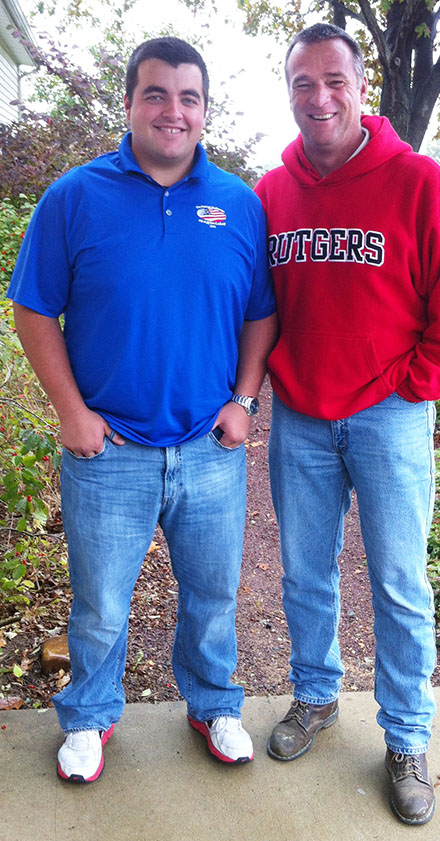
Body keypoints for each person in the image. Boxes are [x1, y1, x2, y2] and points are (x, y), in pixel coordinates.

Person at [8, 36, 277, 783]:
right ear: (128, 102)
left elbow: (261, 312)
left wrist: (244, 400)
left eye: (189, 97)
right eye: (156, 93)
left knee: (214, 592)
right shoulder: (75, 196)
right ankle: (91, 716)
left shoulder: (238, 204)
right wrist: (70, 410)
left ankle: (215, 701)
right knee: (98, 601)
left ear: (204, 111)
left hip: (208, 447)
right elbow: (33, 310)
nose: (173, 110)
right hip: (108, 450)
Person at [254, 23, 440, 826]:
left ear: (362, 88)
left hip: (389, 417)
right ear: (287, 91)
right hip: (301, 418)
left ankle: (407, 734)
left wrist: (406, 387)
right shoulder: (271, 193)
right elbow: (253, 307)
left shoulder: (418, 182)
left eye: (333, 80)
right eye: (301, 83)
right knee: (304, 574)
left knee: (398, 582)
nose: (318, 97)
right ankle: (316, 696)